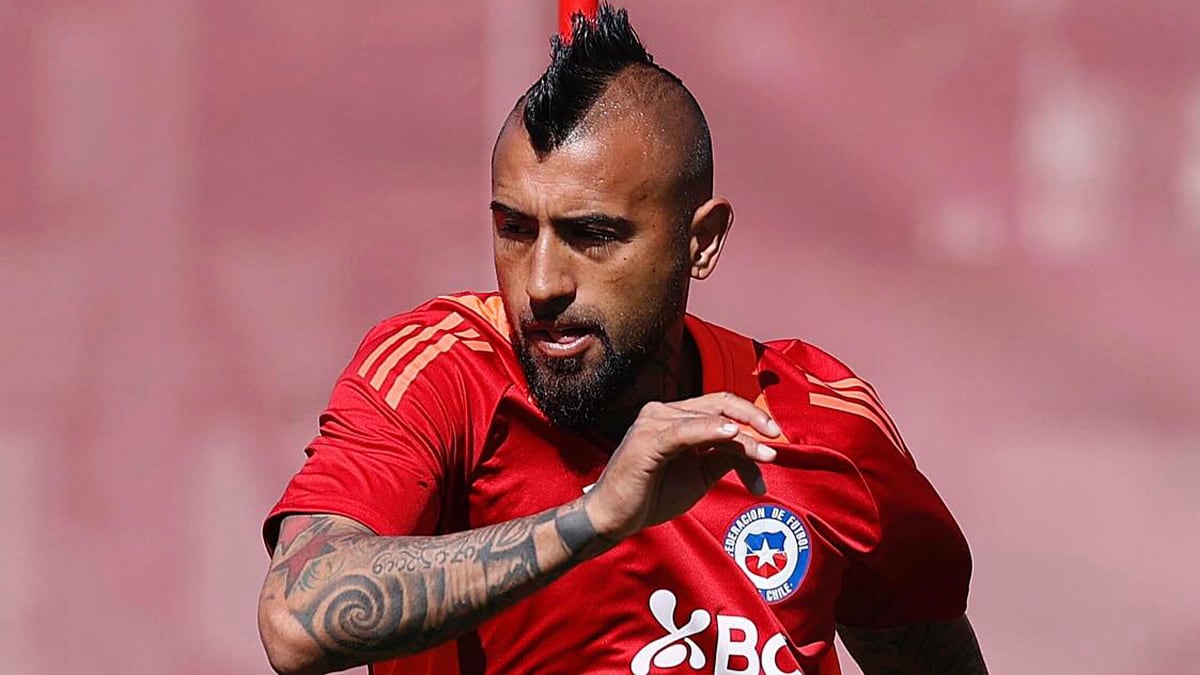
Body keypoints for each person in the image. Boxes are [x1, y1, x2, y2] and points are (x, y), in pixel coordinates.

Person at [257, 5, 987, 674]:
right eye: (515, 229)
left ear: (700, 242)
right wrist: (596, 517)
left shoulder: (822, 425)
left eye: (592, 235)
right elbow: (296, 620)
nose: (540, 282)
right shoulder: (440, 371)